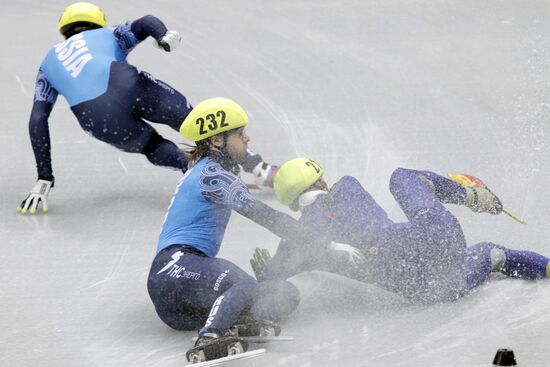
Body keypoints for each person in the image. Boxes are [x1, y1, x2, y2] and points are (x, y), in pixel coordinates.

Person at [17, 2, 277, 215]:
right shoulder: (107, 34)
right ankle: (258, 168)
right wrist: (162, 35)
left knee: (151, 146)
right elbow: (146, 21)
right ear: (99, 22)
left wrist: (44, 176)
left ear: (64, 32)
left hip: (93, 115)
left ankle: (204, 174)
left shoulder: (46, 64)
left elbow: (38, 119)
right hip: (124, 81)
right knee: (191, 119)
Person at [146, 98, 353, 363]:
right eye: (240, 133)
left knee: (284, 293)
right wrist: (325, 244)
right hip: (172, 269)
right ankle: (210, 336)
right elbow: (267, 217)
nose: (247, 138)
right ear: (218, 140)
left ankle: (237, 319)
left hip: (187, 293)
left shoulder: (213, 171)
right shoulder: (212, 176)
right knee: (241, 283)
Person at [251, 157, 550, 304]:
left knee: (492, 254)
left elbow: (270, 280)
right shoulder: (345, 187)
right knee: (401, 177)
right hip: (437, 239)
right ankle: (473, 196)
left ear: (293, 205)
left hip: (432, 289)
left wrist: (268, 273)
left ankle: (511, 260)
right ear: (322, 183)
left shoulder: (298, 244)